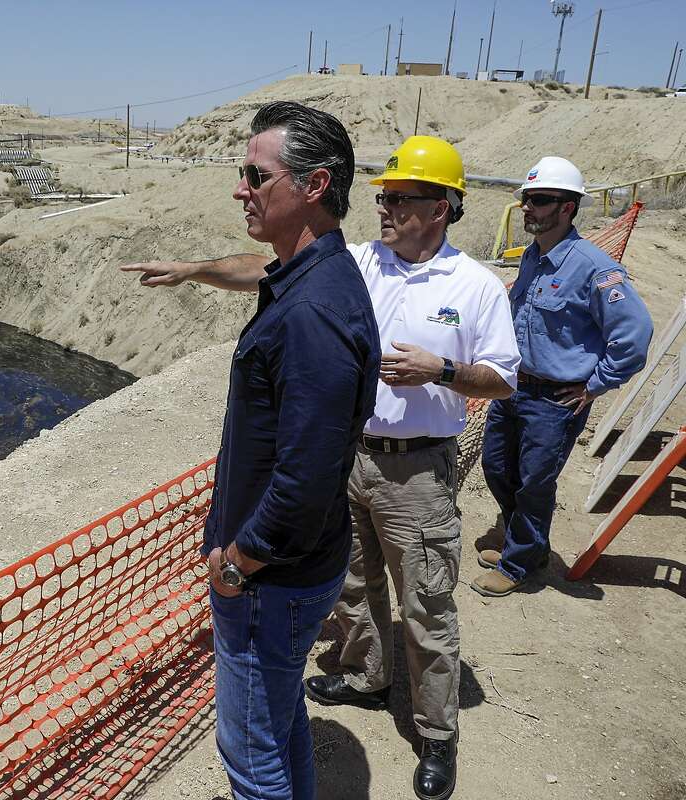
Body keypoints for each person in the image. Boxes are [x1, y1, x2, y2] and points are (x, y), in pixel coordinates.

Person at [121, 135, 520, 800]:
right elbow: (263, 269)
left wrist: (442, 370)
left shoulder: (473, 286)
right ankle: (365, 676)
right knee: (356, 589)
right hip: (351, 457)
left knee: (424, 604)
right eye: (382, 197)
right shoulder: (358, 264)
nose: (385, 208)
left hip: (417, 470)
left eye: (401, 199)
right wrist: (195, 269)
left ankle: (436, 734)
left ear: (443, 208)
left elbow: (504, 380)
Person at [192, 101, 380, 800]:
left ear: (314, 185)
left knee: (250, 752)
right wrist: (192, 270)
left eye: (255, 174)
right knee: (278, 722)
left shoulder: (314, 313)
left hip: (271, 579)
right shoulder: (308, 276)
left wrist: (239, 563)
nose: (241, 188)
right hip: (297, 570)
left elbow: (303, 480)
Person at [475, 156, 653, 597]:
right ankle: (526, 543)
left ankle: (519, 564)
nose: (527, 208)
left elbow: (634, 336)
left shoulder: (595, 268)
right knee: (498, 468)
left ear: (567, 207)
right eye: (526, 200)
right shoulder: (534, 257)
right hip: (513, 388)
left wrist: (595, 385)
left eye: (538, 200)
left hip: (555, 400)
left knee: (535, 483)